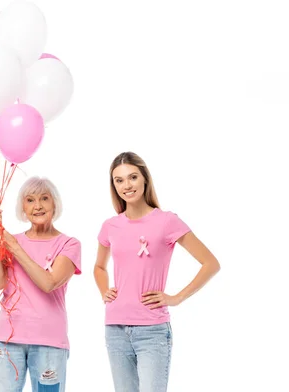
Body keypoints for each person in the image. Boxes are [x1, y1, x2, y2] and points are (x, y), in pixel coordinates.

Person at [94, 151, 221, 392]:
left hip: (152, 330)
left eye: (132, 177)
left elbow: (210, 263)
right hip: (115, 329)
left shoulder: (166, 221)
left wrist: (176, 298)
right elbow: (99, 267)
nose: (126, 185)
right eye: (119, 180)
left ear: (144, 179)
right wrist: (104, 291)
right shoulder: (110, 225)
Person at [0, 176, 81, 392]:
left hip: (49, 340)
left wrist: (14, 247)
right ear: (23, 207)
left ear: (54, 203)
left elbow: (49, 283)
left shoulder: (69, 244)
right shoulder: (11, 240)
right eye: (30, 200)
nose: (37, 206)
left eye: (44, 199)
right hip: (7, 339)